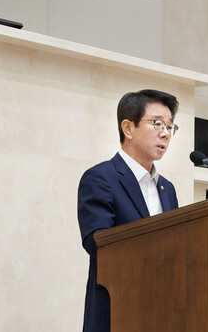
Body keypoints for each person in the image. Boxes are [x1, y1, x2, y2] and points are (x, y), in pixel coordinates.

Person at [77, 89, 180, 332]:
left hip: (163, 313)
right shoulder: (101, 178)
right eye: (157, 124)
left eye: (169, 126)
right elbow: (98, 243)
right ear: (128, 128)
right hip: (118, 312)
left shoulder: (167, 189)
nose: (165, 133)